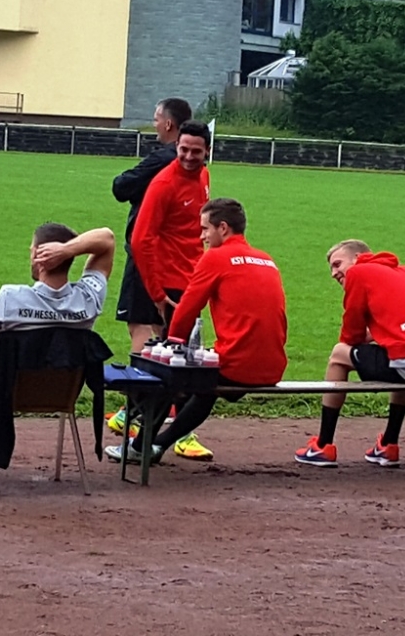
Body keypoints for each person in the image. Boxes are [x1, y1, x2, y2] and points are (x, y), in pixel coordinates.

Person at [104, 198, 287, 464]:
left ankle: (140, 447)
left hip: (237, 365)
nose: (201, 237)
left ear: (222, 228)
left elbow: (186, 310)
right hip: (274, 367)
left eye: (205, 229)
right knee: (201, 387)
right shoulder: (266, 259)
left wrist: (172, 346)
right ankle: (157, 445)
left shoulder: (215, 257)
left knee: (166, 372)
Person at [0, 223, 114, 469]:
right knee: (4, 359)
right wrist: (67, 251)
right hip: (61, 390)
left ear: (38, 257)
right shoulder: (88, 300)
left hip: (6, 388)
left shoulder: (11, 297)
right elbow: (107, 239)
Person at [294, 240, 405, 468]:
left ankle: (323, 446)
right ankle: (388, 444)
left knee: (338, 354)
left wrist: (363, 338)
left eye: (337, 264)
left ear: (358, 258)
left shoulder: (359, 272)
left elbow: (350, 335)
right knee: (396, 356)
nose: (334, 273)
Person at [119, 118, 215, 460]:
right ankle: (149, 438)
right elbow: (141, 239)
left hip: (190, 280)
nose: (188, 156)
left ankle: (146, 432)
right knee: (176, 363)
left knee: (184, 359)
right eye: (183, 149)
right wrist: (157, 294)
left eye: (195, 151)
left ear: (207, 152)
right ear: (176, 146)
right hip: (167, 282)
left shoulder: (203, 177)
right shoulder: (163, 183)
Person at [112, 97, 192, 352]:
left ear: (168, 124)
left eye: (156, 119)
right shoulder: (195, 168)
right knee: (164, 323)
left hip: (147, 251)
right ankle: (170, 372)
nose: (154, 124)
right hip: (176, 256)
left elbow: (121, 186)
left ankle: (141, 376)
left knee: (140, 323)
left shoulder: (163, 159)